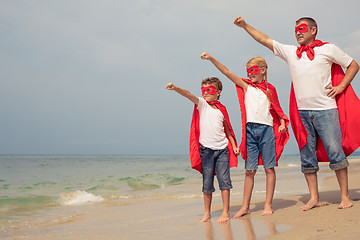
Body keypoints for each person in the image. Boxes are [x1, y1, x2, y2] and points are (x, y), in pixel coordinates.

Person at [233, 16, 360, 210]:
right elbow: (264, 39)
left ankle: (345, 196)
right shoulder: (291, 52)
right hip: (302, 113)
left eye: (301, 29)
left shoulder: (328, 49)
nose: (298, 33)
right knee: (307, 156)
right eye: (295, 30)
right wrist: (244, 26)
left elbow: (353, 64)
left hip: (326, 109)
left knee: (335, 152)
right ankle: (314, 198)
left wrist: (342, 86)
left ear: (313, 30)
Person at [201, 53, 289, 216]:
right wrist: (212, 59)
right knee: (249, 170)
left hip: (267, 130)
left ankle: (268, 204)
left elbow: (278, 111)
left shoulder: (270, 90)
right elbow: (227, 72)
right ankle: (245, 207)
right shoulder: (246, 86)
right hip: (250, 132)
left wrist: (283, 125)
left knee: (269, 168)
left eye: (253, 70)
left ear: (263, 70)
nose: (250, 74)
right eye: (248, 71)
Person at [165, 77, 239, 223]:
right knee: (207, 183)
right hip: (206, 150)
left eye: (209, 90)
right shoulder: (202, 104)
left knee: (224, 181)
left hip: (223, 149)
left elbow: (228, 130)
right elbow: (188, 94)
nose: (205, 93)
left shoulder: (222, 109)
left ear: (218, 92)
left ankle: (225, 212)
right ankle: (207, 213)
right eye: (203, 90)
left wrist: (234, 146)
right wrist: (175, 88)